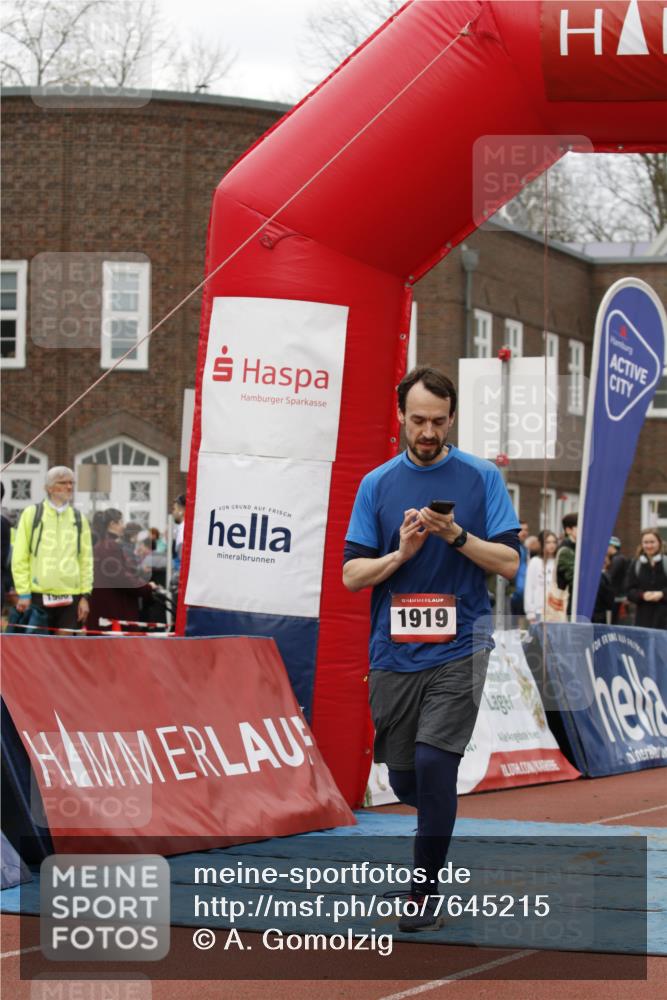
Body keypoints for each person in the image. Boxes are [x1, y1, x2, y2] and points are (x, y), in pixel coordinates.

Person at [343, 366, 520, 932]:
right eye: (417, 420)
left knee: (434, 762)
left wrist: (456, 537)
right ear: (400, 416)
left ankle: (423, 891)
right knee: (403, 780)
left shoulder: (481, 477)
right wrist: (398, 555)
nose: (427, 431)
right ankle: (436, 825)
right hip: (393, 653)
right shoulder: (376, 484)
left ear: (452, 419)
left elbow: (511, 563)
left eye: (438, 422)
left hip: (461, 645)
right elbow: (351, 576)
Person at [11, 466, 93, 633]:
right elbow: (20, 556)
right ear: (48, 488)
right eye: (62, 483)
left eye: (71, 483)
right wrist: (24, 593)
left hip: (71, 597)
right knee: (37, 652)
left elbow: (86, 559)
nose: (69, 487)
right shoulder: (32, 514)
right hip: (37, 595)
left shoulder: (79, 518)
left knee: (64, 651)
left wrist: (85, 596)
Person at [88, 509, 156, 631]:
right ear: (112, 524)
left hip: (105, 608)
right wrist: (146, 588)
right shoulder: (110, 547)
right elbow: (123, 578)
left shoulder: (104, 545)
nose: (123, 526)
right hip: (113, 611)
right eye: (121, 522)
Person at [624, 529, 667, 630]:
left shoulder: (665, 563)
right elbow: (629, 591)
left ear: (659, 543)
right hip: (643, 620)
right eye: (646, 542)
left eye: (652, 542)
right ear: (642, 544)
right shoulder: (636, 564)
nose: (649, 546)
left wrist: (662, 594)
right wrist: (642, 595)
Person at [524, 530, 558, 622]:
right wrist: (530, 613)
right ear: (542, 544)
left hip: (555, 610)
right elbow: (529, 587)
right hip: (538, 610)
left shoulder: (558, 562)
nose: (552, 545)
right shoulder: (535, 562)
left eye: (554, 542)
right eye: (548, 542)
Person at [556, 512, 578, 616]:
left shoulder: (577, 546)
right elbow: (574, 579)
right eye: (579, 527)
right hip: (567, 603)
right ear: (568, 530)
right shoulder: (566, 549)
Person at [607, 536, 629, 624]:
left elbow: (610, 576)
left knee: (614, 621)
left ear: (612, 546)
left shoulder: (617, 559)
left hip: (617, 597)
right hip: (618, 596)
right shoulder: (618, 558)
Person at [509, 521, 529, 616]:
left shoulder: (525, 548)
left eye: (526, 530)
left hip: (523, 593)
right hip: (515, 593)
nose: (524, 532)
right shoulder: (513, 548)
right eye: (521, 530)